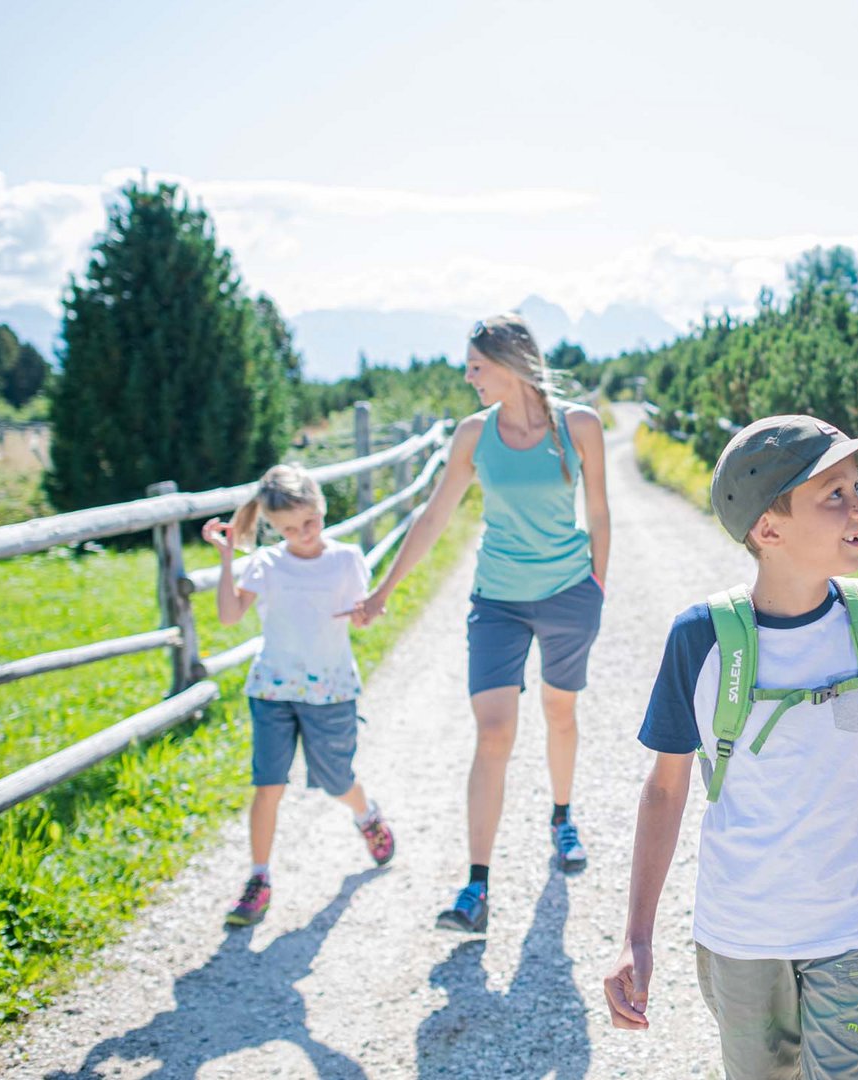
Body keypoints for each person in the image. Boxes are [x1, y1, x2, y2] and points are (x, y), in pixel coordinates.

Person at [603, 415, 858, 1079]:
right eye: (835, 495)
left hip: (854, 926)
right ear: (769, 530)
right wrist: (637, 936)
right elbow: (665, 790)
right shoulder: (699, 639)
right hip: (741, 934)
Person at [352, 314, 610, 933]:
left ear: (511, 365)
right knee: (493, 732)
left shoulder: (578, 426)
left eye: (476, 367)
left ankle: (562, 815)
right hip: (497, 602)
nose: (469, 378)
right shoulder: (474, 435)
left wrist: (597, 587)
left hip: (568, 595)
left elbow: (599, 511)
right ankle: (476, 887)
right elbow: (434, 517)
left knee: (560, 712)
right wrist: (384, 590)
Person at [203, 464, 395, 928]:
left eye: (310, 522)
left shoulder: (346, 559)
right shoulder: (266, 563)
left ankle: (366, 815)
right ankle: (259, 878)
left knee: (335, 781)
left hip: (330, 691)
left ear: (321, 507)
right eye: (289, 529)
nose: (303, 534)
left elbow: (363, 615)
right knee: (267, 784)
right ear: (273, 527)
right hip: (272, 690)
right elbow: (229, 616)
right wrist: (227, 558)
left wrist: (368, 613)